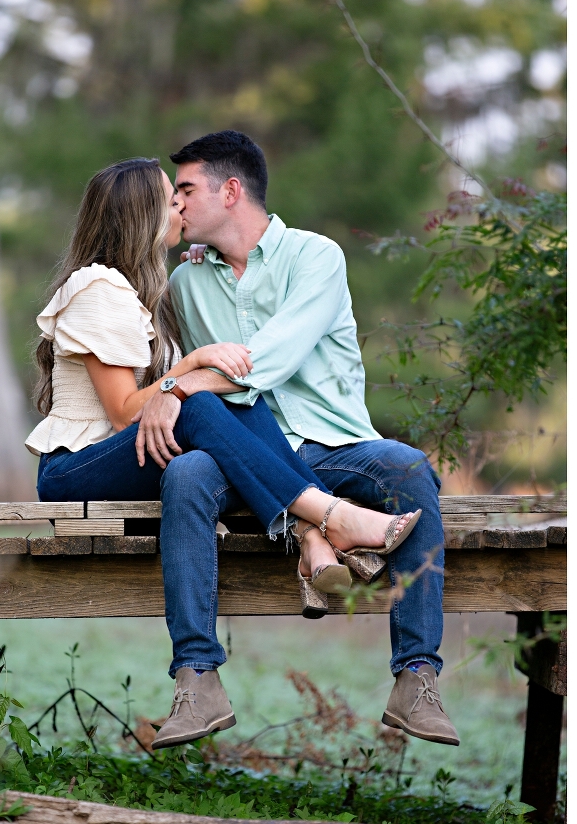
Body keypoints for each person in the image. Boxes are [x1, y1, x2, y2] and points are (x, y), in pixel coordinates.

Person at [28, 157, 420, 749]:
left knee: (234, 398)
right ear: (140, 214)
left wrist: (189, 375)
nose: (180, 207)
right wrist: (187, 369)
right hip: (74, 469)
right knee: (209, 401)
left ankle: (314, 536)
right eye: (170, 198)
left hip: (125, 452)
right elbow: (123, 413)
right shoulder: (99, 289)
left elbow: (163, 403)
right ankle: (332, 520)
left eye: (182, 195)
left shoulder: (139, 289)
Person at [133, 131, 460, 748]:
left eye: (185, 190)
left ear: (231, 191)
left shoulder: (317, 257)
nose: (175, 205)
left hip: (337, 446)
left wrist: (176, 388)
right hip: (242, 451)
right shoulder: (184, 284)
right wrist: (174, 385)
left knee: (412, 469)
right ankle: (197, 681)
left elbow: (266, 363)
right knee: (185, 475)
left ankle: (417, 680)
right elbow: (180, 372)